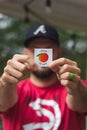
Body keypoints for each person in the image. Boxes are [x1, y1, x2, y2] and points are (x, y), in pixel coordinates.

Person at [0, 24, 87, 130]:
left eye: (48, 49)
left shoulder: (76, 85)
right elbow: (3, 104)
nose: (42, 56)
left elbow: (83, 105)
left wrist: (76, 88)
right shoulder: (13, 90)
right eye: (35, 50)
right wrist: (5, 83)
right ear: (26, 52)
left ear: (59, 51)